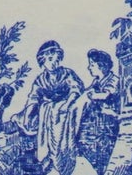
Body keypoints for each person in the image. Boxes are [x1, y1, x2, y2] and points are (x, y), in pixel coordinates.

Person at [14, 40, 86, 174]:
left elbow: (75, 89)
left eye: (57, 59)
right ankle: (47, 159)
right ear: (43, 60)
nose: (54, 62)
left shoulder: (66, 73)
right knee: (42, 112)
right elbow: (34, 97)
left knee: (60, 116)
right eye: (51, 59)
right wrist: (29, 112)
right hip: (48, 112)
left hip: (64, 110)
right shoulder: (41, 79)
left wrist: (67, 103)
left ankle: (61, 158)